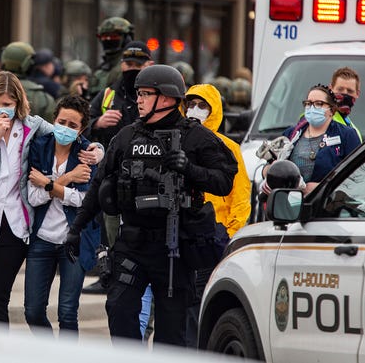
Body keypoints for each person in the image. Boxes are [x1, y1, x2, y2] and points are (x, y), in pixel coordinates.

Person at [64, 64, 238, 346]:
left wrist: (189, 168)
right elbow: (99, 184)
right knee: (120, 312)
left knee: (171, 332)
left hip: (175, 248)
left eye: (145, 94)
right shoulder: (127, 136)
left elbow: (224, 182)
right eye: (138, 94)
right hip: (132, 243)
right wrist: (77, 227)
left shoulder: (196, 137)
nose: (139, 101)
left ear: (167, 98)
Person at [0, 72, 103, 326]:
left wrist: (98, 151)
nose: (1, 110)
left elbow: (69, 134)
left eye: (8, 104)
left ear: (18, 104)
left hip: (13, 227)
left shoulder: (32, 127)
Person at [181, 83, 251, 346]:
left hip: (213, 239)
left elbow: (241, 196)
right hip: (181, 237)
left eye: (202, 105)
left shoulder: (228, 148)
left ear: (215, 110)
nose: (195, 110)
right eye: (190, 104)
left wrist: (229, 235)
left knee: (202, 305)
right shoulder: (177, 140)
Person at [83, 40, 154, 295]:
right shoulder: (107, 95)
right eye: (127, 63)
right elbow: (80, 122)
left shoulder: (154, 94)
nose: (131, 68)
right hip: (112, 173)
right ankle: (107, 273)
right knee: (108, 224)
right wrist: (98, 122)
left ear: (149, 65)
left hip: (147, 174)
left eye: (137, 64)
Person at [24, 95, 98, 336]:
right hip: (41, 239)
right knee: (32, 311)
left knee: (67, 312)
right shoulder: (39, 146)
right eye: (61, 121)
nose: (65, 128)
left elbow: (85, 201)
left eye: (72, 125)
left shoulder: (87, 153)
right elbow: (33, 198)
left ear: (81, 129)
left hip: (74, 242)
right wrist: (66, 180)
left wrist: (48, 185)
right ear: (53, 120)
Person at [262, 84, 360, 196]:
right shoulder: (292, 133)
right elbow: (266, 168)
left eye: (319, 104)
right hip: (289, 206)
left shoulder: (347, 135)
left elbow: (357, 177)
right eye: (308, 104)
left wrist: (322, 188)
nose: (312, 108)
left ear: (331, 110)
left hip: (325, 206)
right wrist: (271, 171)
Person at [89, 17, 134, 96]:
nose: (108, 40)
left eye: (114, 36)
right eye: (104, 37)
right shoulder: (100, 70)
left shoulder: (131, 67)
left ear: (127, 38)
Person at [328, 67, 362, 141]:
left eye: (350, 91)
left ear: (357, 94)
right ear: (330, 89)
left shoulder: (350, 126)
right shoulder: (321, 119)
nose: (345, 94)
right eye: (340, 89)